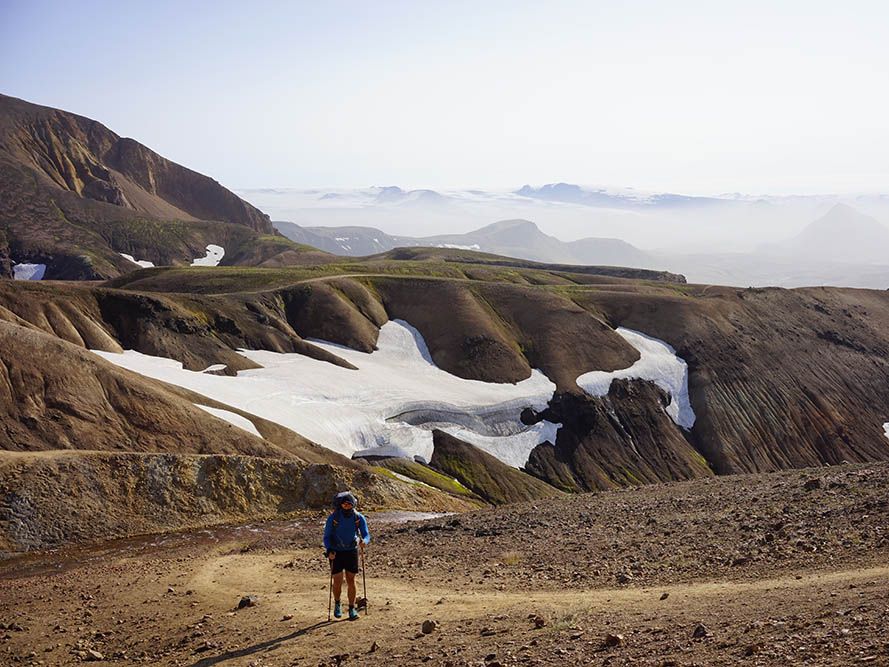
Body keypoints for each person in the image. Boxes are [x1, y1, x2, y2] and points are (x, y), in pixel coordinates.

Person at [323, 491, 370, 620]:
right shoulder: (333, 518)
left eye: (349, 504)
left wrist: (364, 542)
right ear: (340, 505)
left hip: (351, 551)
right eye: (344, 504)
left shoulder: (358, 517)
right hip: (336, 552)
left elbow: (366, 534)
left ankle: (351, 608)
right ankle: (337, 603)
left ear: (353, 504)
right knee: (337, 580)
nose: (347, 506)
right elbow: (326, 537)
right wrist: (329, 550)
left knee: (351, 580)